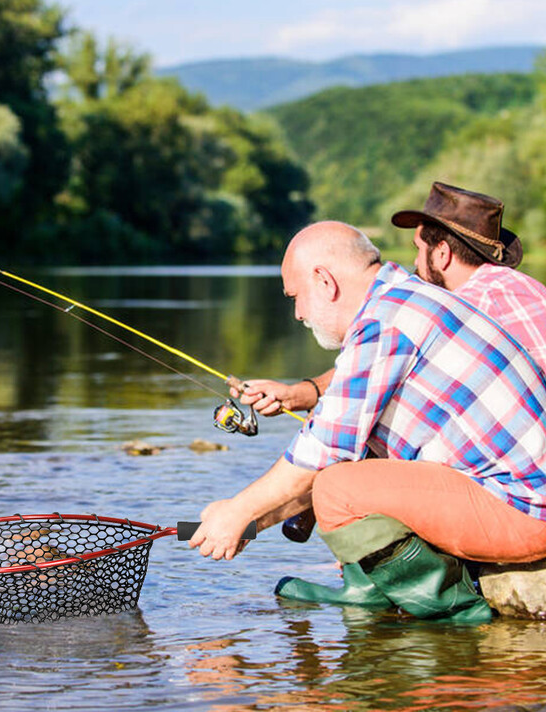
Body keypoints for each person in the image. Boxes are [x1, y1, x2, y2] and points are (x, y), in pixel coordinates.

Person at [190, 221, 546, 624]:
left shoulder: (385, 322)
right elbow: (336, 450)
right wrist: (246, 522)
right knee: (348, 473)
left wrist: (238, 511)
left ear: (325, 281)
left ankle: (450, 608)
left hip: (526, 510)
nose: (298, 313)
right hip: (516, 497)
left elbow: (321, 454)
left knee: (338, 486)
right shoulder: (400, 300)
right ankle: (378, 593)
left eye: (296, 297)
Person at [239, 183, 546, 418]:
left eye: (418, 250)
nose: (414, 264)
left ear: (441, 253)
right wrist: (305, 393)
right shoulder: (512, 286)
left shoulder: (465, 308)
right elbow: (379, 361)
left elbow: (382, 363)